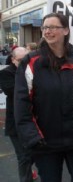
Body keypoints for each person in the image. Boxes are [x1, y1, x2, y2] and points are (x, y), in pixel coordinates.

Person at [14, 13, 73, 182]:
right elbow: (21, 105)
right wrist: (32, 137)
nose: (47, 31)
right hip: (46, 142)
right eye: (45, 27)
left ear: (65, 30)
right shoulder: (31, 62)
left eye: (53, 27)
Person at [0, 47, 38, 182]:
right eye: (21, 60)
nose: (24, 63)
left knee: (35, 153)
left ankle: (29, 173)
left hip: (34, 120)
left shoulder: (33, 70)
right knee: (23, 156)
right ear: (13, 59)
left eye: (26, 60)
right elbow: (13, 91)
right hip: (15, 122)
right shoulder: (6, 73)